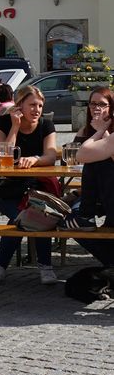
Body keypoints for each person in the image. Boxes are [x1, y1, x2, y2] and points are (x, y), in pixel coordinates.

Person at [0, 85, 59, 286]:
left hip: (38, 189)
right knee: (25, 217)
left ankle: (11, 266)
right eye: (32, 105)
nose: (37, 110)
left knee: (37, 215)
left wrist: (35, 159)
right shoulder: (2, 122)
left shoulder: (46, 125)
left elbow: (51, 155)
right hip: (9, 190)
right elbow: (2, 158)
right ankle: (36, 266)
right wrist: (15, 127)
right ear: (19, 105)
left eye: (40, 105)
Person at [72, 87, 114, 267]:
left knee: (78, 219)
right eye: (92, 104)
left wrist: (102, 131)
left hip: (107, 195)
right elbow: (75, 156)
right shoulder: (85, 130)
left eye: (102, 104)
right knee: (71, 216)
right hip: (95, 193)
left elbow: (84, 155)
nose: (96, 108)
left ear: (111, 107)